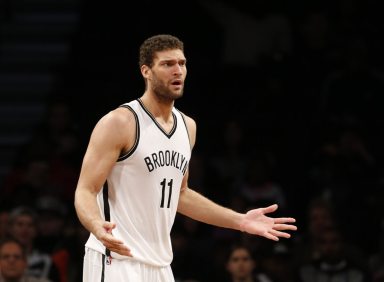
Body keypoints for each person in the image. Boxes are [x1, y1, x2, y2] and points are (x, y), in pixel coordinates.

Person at [74, 34, 297, 282]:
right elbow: (86, 189)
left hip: (159, 264)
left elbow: (180, 194)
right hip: (115, 259)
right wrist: (96, 226)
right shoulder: (120, 122)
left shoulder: (187, 126)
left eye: (182, 63)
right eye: (167, 64)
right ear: (146, 71)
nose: (177, 71)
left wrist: (240, 221)